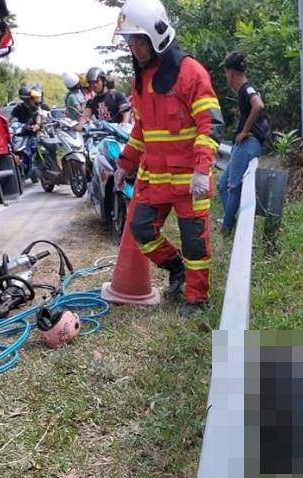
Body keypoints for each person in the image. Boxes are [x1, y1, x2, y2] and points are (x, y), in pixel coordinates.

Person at [111, 0, 224, 315]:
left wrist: (202, 170)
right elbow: (142, 131)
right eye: (129, 41)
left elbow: (211, 124)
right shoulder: (141, 80)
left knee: (195, 244)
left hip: (191, 180)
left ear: (156, 36)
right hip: (157, 177)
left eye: (138, 40)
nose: (133, 47)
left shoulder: (191, 73)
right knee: (141, 229)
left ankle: (197, 299)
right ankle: (177, 269)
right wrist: (124, 163)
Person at [218, 50, 270, 234]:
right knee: (223, 185)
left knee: (233, 186)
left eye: (226, 73)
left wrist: (245, 131)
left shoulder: (247, 88)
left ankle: (226, 227)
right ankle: (229, 220)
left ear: (230, 73)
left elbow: (258, 105)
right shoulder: (243, 90)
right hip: (245, 144)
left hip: (248, 142)